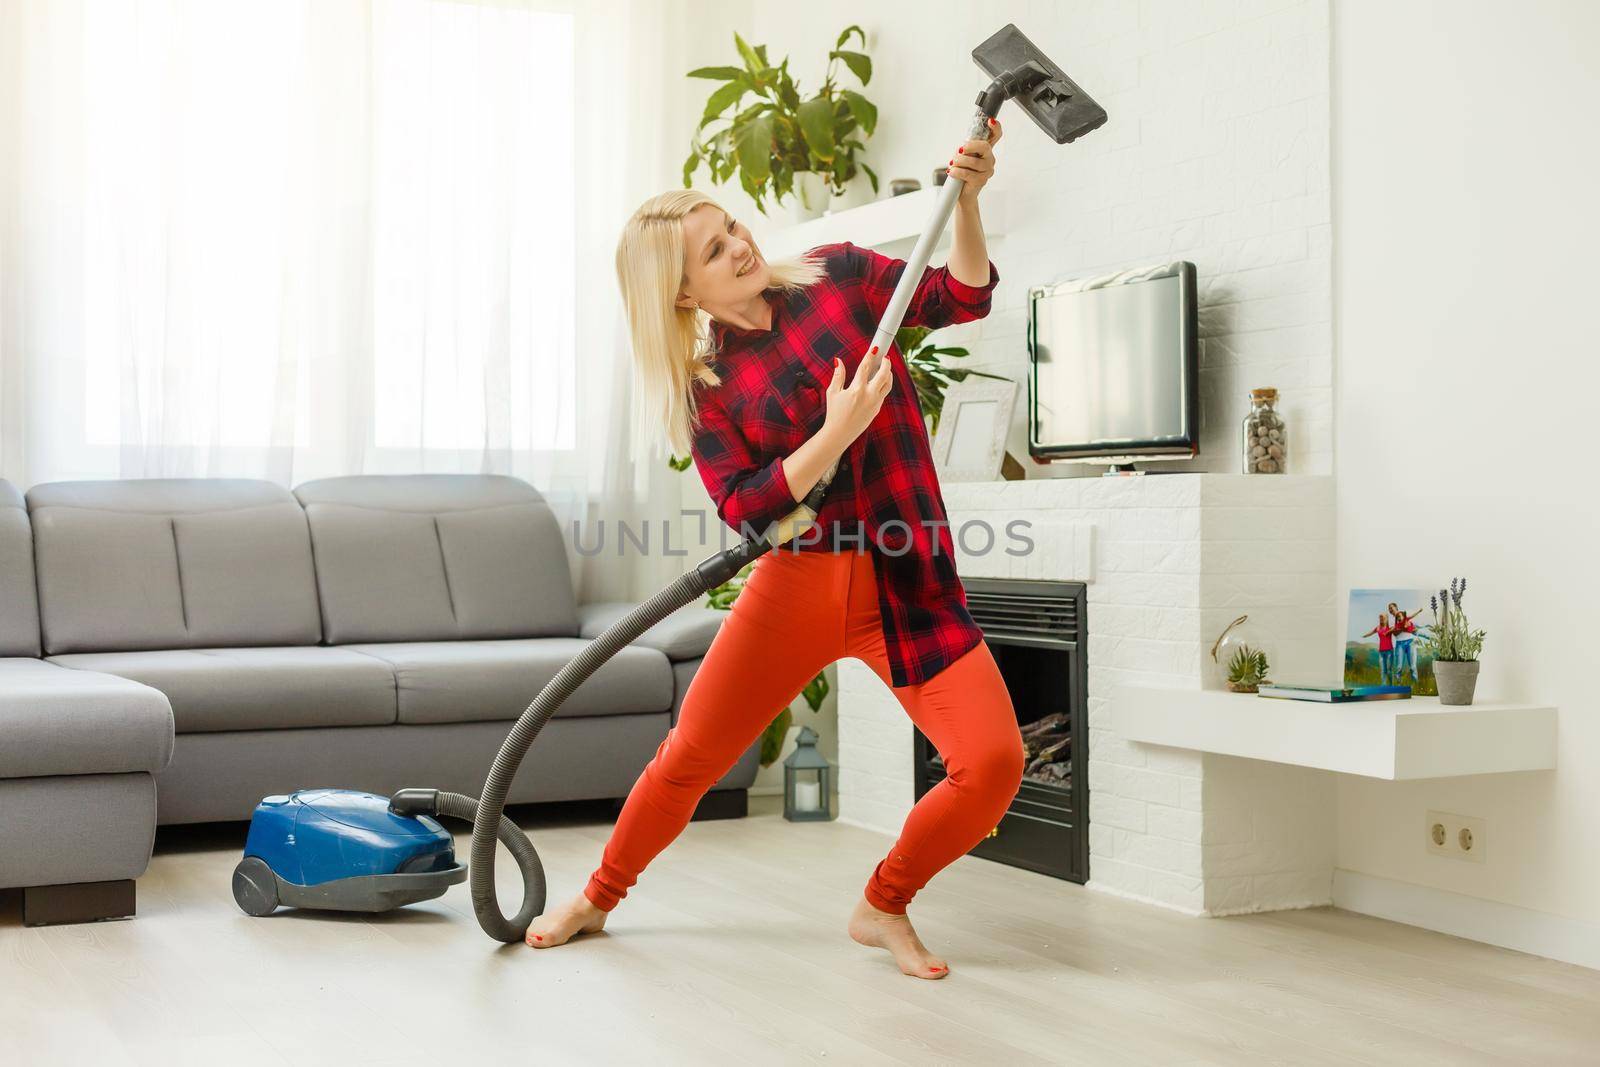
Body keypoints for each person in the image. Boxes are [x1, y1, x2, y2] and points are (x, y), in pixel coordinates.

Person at [521, 121, 1023, 981]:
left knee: (996, 764)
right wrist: (833, 436)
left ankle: (884, 901)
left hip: (907, 577)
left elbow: (961, 297)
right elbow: (749, 507)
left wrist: (967, 202)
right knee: (688, 759)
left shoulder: (841, 278)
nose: (742, 246)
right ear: (682, 294)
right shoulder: (706, 389)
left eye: (733, 228)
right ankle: (598, 896)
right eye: (716, 251)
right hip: (798, 587)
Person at [1388, 601, 1422, 685]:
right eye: (1389, 608)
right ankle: (1398, 684)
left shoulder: (1404, 614)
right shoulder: (1391, 621)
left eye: (1391, 607)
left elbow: (1413, 627)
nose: (1390, 609)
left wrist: (1408, 628)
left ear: (1396, 607)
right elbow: (1395, 633)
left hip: (1410, 642)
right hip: (1400, 644)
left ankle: (1416, 684)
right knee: (1399, 666)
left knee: (1413, 666)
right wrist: (1404, 628)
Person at [1361, 612, 1396, 684]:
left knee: (1389, 670)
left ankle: (1391, 686)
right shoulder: (1378, 627)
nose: (1381, 619)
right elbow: (1371, 632)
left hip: (1389, 651)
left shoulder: (1389, 627)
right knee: (1383, 670)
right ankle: (1383, 687)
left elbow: (1395, 628)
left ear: (1386, 618)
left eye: (1383, 617)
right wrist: (1364, 635)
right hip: (1381, 652)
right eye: (1380, 617)